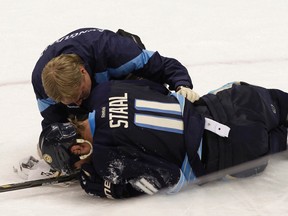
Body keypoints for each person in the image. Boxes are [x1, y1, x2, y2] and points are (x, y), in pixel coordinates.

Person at [38, 79, 288, 199]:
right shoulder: (106, 91)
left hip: (239, 146)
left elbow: (168, 177)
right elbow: (159, 90)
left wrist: (108, 187)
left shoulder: (106, 158)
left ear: (80, 148)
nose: (79, 169)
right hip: (238, 99)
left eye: (76, 165)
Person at [32, 27, 199, 129]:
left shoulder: (116, 51)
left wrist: (181, 85)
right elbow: (53, 120)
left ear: (83, 72)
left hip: (120, 74)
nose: (79, 102)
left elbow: (162, 65)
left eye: (81, 95)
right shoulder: (42, 83)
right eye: (71, 102)